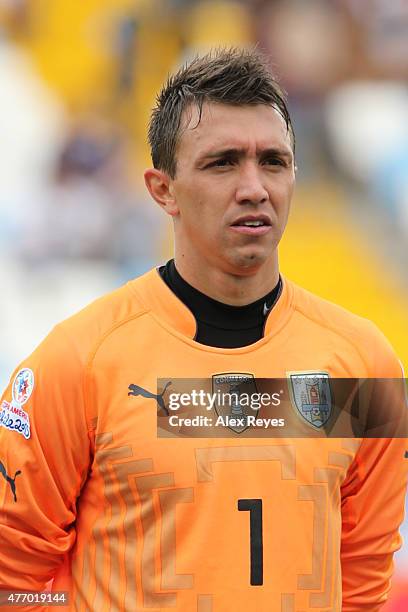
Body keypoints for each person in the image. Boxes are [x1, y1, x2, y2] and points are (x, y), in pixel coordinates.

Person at [0, 47, 407, 612]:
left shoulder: (368, 366)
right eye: (222, 162)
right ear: (161, 189)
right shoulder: (77, 362)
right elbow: (12, 576)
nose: (254, 187)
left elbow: (363, 579)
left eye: (273, 161)